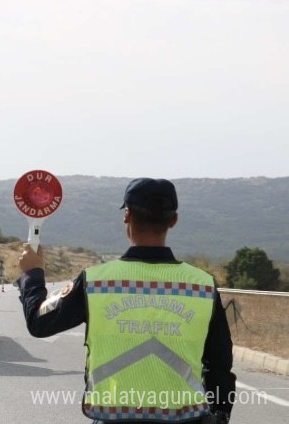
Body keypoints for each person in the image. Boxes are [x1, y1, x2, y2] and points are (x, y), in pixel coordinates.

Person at [16, 178, 235, 424]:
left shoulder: (95, 282)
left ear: (127, 215)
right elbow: (220, 365)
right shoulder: (202, 285)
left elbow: (39, 321)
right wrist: (221, 414)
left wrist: (32, 274)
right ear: (173, 220)